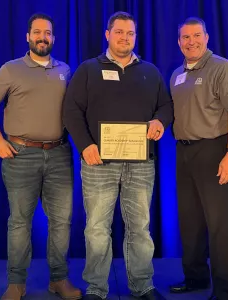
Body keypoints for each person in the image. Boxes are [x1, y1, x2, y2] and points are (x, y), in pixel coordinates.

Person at [63, 11, 173, 300]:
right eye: (120, 32)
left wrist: (160, 121)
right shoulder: (88, 69)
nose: (125, 38)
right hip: (98, 163)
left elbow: (166, 106)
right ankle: (97, 289)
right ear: (107, 34)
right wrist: (85, 145)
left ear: (135, 37)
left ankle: (142, 285)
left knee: (140, 228)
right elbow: (71, 111)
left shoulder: (150, 71)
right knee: (97, 229)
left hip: (140, 164)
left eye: (130, 33)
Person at [0, 13, 81, 300]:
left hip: (59, 154)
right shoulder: (11, 69)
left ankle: (58, 280)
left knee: (62, 221)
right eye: (37, 32)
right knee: (20, 222)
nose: (42, 37)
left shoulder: (65, 70)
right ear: (28, 37)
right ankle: (16, 283)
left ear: (54, 38)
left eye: (47, 33)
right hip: (20, 155)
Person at [168, 17, 228, 300]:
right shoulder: (177, 74)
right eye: (186, 37)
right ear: (179, 42)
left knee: (219, 225)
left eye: (196, 36)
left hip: (215, 150)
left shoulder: (222, 68)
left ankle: (226, 291)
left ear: (207, 37)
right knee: (190, 222)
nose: (192, 41)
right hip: (183, 152)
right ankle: (196, 279)